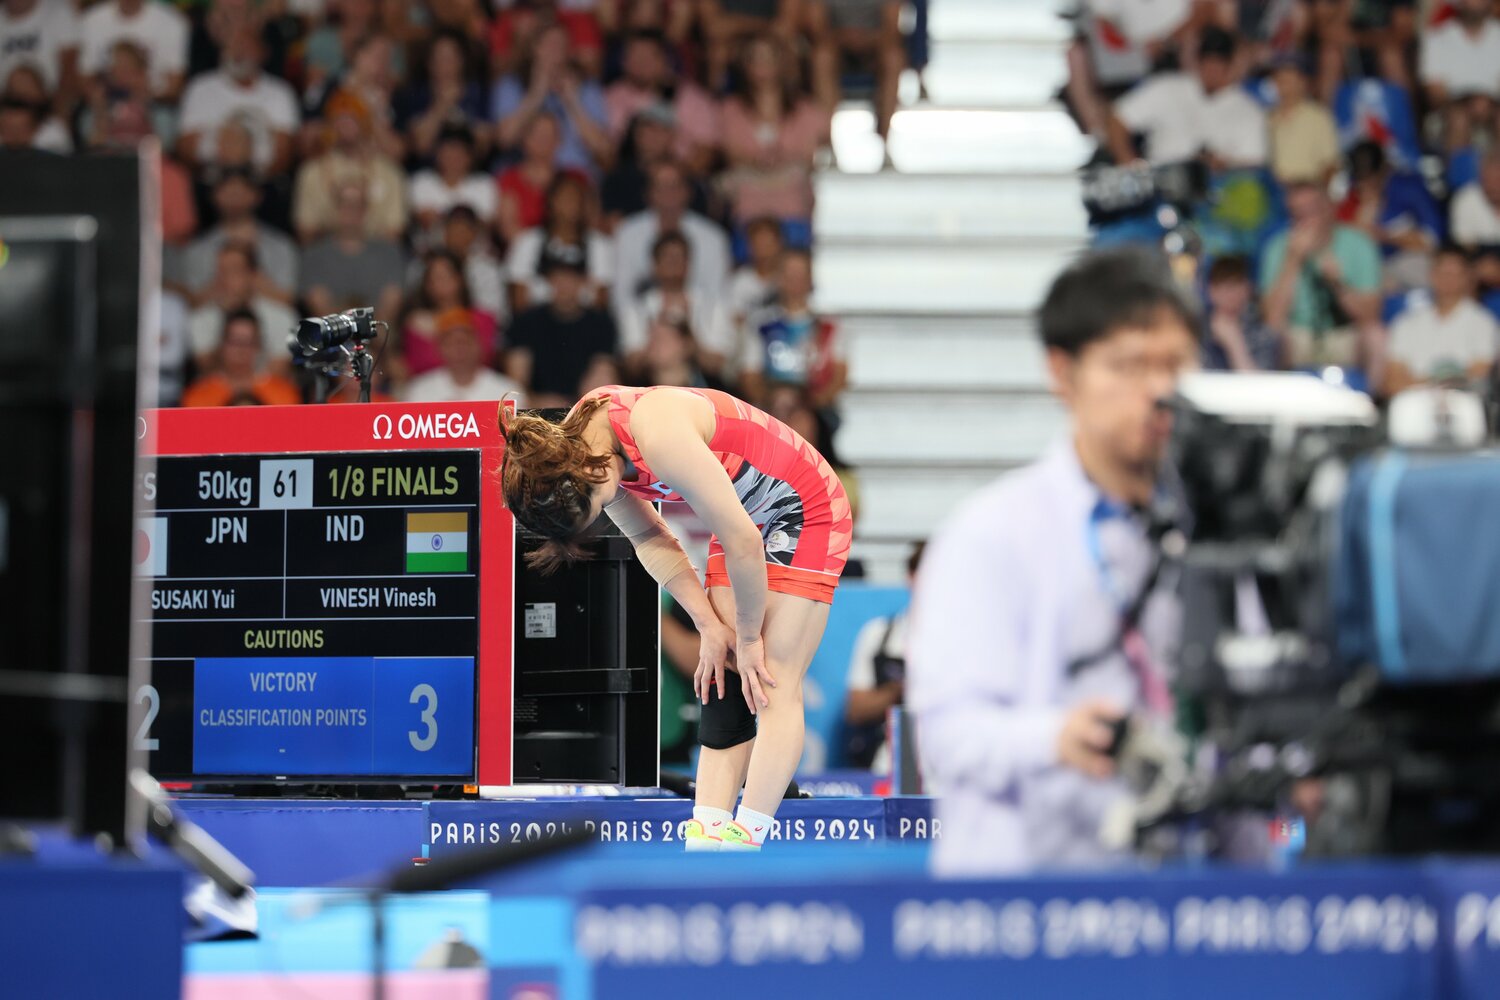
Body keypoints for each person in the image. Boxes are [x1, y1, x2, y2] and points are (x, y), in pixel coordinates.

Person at [908, 247, 1198, 875]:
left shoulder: (1215, 533)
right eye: (1127, 366)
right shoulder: (990, 533)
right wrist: (1055, 739)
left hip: (1176, 900)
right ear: (1062, 374)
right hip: (1022, 905)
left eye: (1174, 364)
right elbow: (948, 736)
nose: (1158, 390)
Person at [498, 381, 853, 850]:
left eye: (602, 505)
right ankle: (706, 833)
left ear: (590, 469)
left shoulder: (656, 433)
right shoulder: (585, 446)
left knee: (769, 675)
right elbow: (650, 539)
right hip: (744, 514)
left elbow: (744, 541)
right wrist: (709, 625)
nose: (611, 506)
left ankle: (747, 838)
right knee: (722, 672)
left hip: (804, 505)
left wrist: (748, 638)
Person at [1259, 179, 1383, 375]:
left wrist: (1337, 283)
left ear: (1329, 209)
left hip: (1345, 333)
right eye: (1298, 213)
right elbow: (1272, 321)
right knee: (1274, 336)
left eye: (1311, 210)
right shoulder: (1277, 248)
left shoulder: (1360, 245)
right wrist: (1293, 261)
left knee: (1375, 335)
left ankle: (1372, 402)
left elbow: (1370, 315)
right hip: (1298, 335)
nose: (1306, 219)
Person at [1105, 26, 1266, 170]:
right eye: (1207, 61)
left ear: (1232, 65)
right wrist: (1129, 164)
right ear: (1198, 61)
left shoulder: (1250, 112)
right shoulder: (1168, 87)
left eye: (1219, 63)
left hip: (1216, 192)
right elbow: (1117, 118)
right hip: (1161, 182)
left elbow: (1252, 170)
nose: (1212, 71)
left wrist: (1223, 166)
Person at [718, 33, 829, 225]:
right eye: (756, 58)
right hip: (748, 191)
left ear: (783, 63)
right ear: (745, 65)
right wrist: (758, 162)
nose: (762, 64)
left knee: (796, 188)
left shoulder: (806, 110)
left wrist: (782, 161)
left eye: (769, 57)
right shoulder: (729, 110)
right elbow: (731, 155)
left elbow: (815, 154)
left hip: (792, 192)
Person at [504, 242, 619, 408]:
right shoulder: (527, 321)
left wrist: (578, 408)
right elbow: (516, 379)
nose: (564, 283)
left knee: (604, 377)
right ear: (549, 279)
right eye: (558, 276)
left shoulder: (601, 323)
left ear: (584, 280)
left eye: (572, 276)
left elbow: (604, 372)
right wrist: (538, 402)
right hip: (536, 410)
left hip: (586, 408)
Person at [491, 21, 611, 178]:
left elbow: (601, 148)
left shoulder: (588, 88)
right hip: (526, 175)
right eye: (549, 44)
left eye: (562, 45)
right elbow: (505, 138)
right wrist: (535, 95)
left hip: (574, 176)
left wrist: (572, 103)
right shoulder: (511, 85)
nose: (556, 51)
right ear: (535, 47)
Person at [842, 540, 922, 772]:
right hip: (888, 760)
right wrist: (899, 689)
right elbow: (856, 709)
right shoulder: (880, 634)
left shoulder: (966, 639)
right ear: (911, 577)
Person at [178, 26, 299, 177]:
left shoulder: (281, 93)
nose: (238, 53)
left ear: (263, 52)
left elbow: (283, 153)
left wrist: (249, 183)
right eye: (232, 46)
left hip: (264, 184)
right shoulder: (199, 88)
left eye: (246, 47)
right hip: (208, 182)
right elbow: (186, 148)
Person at [292, 88, 407, 242]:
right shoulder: (311, 173)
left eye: (352, 119)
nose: (345, 125)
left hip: (376, 257)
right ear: (329, 125)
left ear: (365, 124)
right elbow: (305, 231)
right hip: (328, 255)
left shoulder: (388, 173)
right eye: (339, 119)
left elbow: (394, 231)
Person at [1384, 245, 1500, 396]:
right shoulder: (1406, 323)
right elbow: (1392, 381)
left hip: (1464, 403)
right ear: (1432, 275)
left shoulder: (1484, 323)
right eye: (1443, 273)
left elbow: (1480, 375)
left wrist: (1421, 383)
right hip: (1414, 403)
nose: (1448, 279)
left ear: (1467, 277)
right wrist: (1438, 384)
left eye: (1455, 274)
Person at [613, 159, 731, 307]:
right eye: (661, 187)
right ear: (648, 193)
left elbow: (718, 295)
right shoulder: (627, 233)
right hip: (641, 321)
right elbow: (622, 295)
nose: (668, 193)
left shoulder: (713, 237)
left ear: (688, 192)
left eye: (674, 186)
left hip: (699, 321)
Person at [739, 248, 845, 411]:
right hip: (770, 410)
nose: (795, 280)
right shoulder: (760, 324)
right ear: (778, 278)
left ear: (810, 278)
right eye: (789, 274)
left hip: (815, 411)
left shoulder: (829, 326)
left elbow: (839, 376)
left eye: (800, 273)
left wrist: (810, 407)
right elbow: (749, 377)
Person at [618, 230, 735, 377]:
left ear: (688, 264)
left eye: (679, 257)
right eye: (668, 257)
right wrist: (657, 338)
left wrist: (688, 341)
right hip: (648, 386)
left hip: (703, 386)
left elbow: (718, 364)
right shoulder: (637, 309)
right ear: (655, 265)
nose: (674, 263)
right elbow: (632, 365)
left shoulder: (713, 306)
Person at [178, 166, 299, 305]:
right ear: (214, 195)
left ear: (257, 195)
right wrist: (223, 283)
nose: (235, 198)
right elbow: (192, 301)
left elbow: (288, 300)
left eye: (241, 192)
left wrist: (251, 281)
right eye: (228, 192)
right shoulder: (197, 249)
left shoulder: (281, 246)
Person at [604, 30, 719, 175]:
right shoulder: (610, 96)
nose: (641, 63)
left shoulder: (691, 97)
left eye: (649, 56)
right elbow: (605, 152)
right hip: (627, 176)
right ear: (623, 62)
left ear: (665, 60)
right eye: (634, 56)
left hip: (680, 178)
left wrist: (669, 179)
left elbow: (706, 152)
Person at [1337, 139, 1443, 293]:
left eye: (1371, 178)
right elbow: (1345, 245)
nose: (1365, 185)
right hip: (1373, 269)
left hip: (1410, 261)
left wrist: (1386, 236)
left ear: (1384, 170)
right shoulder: (1351, 195)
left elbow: (1432, 240)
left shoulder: (1409, 188)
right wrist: (1367, 209)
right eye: (1361, 179)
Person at [505, 170, 614, 311]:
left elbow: (600, 300)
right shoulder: (528, 241)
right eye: (565, 197)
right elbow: (519, 299)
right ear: (551, 201)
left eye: (576, 198)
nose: (571, 204)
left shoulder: (599, 245)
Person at [299, 179, 405, 322]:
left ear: (366, 210)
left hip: (378, 337)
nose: (351, 210)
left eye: (357, 205)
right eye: (345, 204)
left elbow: (389, 309)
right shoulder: (314, 256)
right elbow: (321, 310)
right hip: (332, 338)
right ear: (334, 208)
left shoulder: (389, 254)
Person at [188, 242, 297, 375]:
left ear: (253, 275)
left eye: (234, 270)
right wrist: (227, 317)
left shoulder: (282, 317)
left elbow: (279, 370)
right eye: (221, 271)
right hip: (220, 393)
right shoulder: (200, 318)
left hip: (265, 392)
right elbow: (208, 370)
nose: (224, 279)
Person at [398, 250, 498, 380]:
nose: (441, 282)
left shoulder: (483, 320)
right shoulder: (416, 323)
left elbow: (484, 358)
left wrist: (437, 332)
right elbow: (415, 366)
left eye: (446, 275)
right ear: (427, 285)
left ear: (460, 279)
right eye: (434, 278)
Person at [1418, 0, 1500, 154]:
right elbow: (1434, 93)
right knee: (1459, 118)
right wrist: (1469, 103)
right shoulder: (1438, 37)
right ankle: (1460, 177)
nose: (1476, 4)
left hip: (1494, 106)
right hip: (1451, 108)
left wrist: (1487, 104)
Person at [181, 308, 303, 407]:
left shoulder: (284, 395)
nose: (241, 350)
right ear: (221, 344)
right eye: (235, 341)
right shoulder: (198, 397)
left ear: (259, 346)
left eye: (249, 342)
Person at [403, 307, 523, 403]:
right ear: (439, 349)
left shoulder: (508, 392)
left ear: (479, 345)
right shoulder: (419, 392)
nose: (459, 349)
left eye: (465, 341)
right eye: (451, 343)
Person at [80, 0, 189, 102]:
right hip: (107, 101)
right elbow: (86, 77)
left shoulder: (172, 22)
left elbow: (175, 85)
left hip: (155, 102)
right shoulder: (92, 19)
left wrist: (143, 96)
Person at [409, 124, 498, 247]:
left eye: (459, 154)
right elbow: (426, 221)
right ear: (438, 154)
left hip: (475, 255)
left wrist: (442, 217)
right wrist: (466, 219)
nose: (453, 159)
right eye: (448, 152)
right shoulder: (423, 181)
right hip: (432, 254)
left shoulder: (484, 184)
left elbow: (485, 226)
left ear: (470, 157)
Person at [1267, 53, 1340, 187]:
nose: (1282, 82)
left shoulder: (1319, 117)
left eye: (1289, 77)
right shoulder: (1267, 117)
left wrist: (1325, 194)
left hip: (1307, 190)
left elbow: (1330, 165)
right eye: (1278, 77)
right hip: (1274, 192)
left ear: (1303, 81)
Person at [1201, 254, 1283, 372]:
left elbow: (1260, 387)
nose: (1230, 295)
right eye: (1222, 286)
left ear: (1248, 288)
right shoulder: (1196, 330)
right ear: (1210, 290)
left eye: (1236, 285)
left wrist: (1234, 343)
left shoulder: (1262, 332)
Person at [1451, 148, 1500, 250]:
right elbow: (1465, 246)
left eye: (1498, 179)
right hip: (1477, 261)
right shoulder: (1465, 199)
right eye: (1490, 178)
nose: (1494, 185)